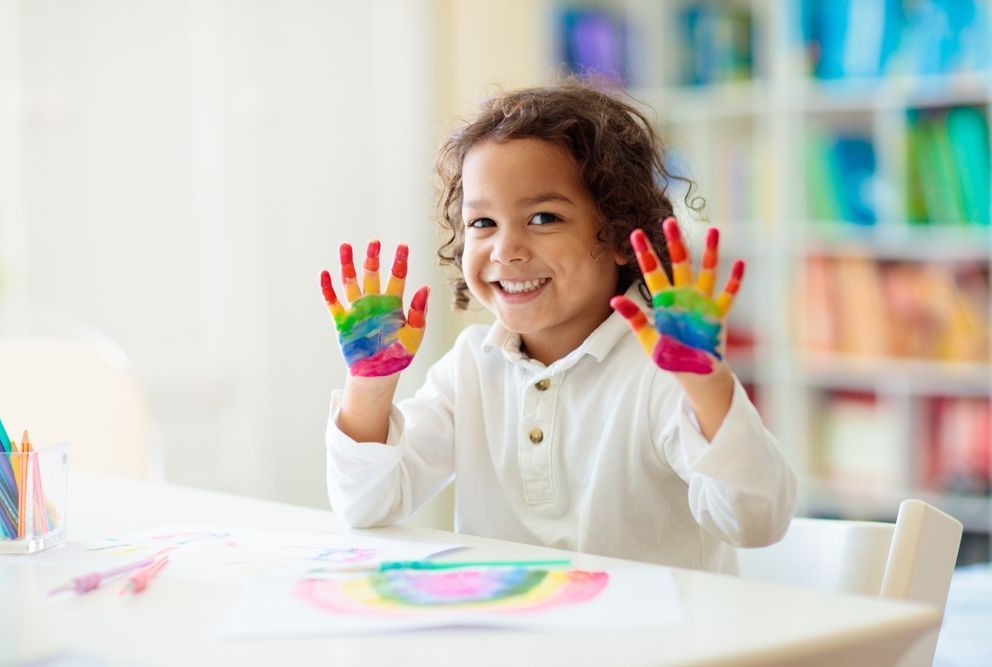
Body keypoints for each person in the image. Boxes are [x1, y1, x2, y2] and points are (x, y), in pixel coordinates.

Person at [319, 79, 796, 572]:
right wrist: (369, 386)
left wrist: (707, 387)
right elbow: (365, 506)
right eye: (483, 223)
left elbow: (756, 523)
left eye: (544, 217)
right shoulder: (470, 367)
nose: (506, 250)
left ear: (618, 236)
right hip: (514, 639)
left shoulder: (662, 372)